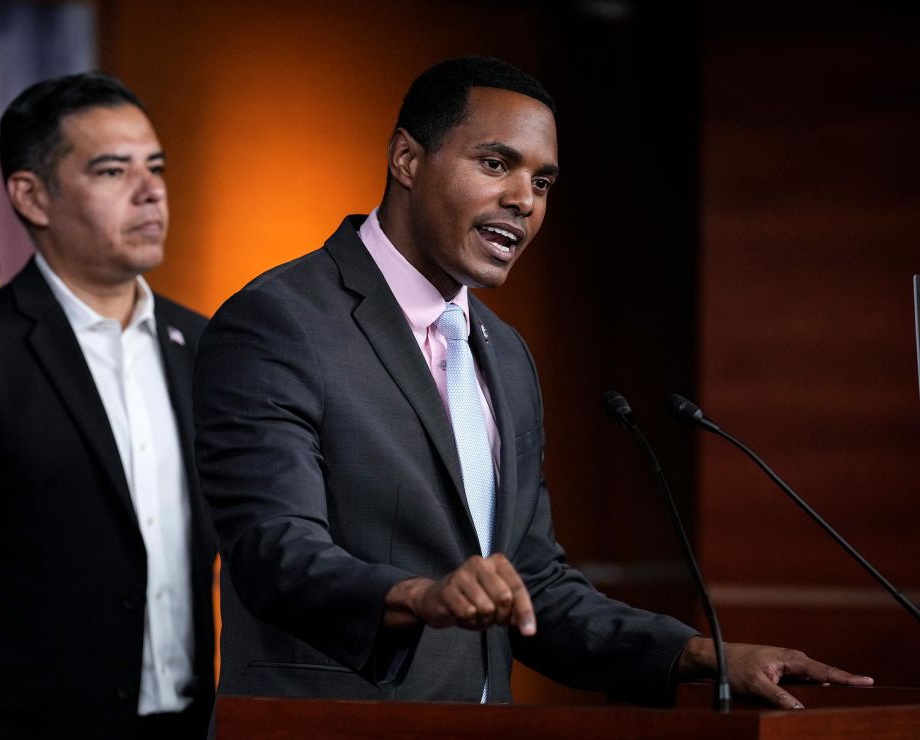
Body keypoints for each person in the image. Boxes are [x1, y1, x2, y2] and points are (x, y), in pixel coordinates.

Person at [192, 56, 872, 708]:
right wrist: (421, 595)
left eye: (543, 183)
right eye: (495, 163)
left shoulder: (505, 354)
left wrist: (699, 655)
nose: (523, 200)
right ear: (407, 159)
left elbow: (534, 584)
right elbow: (274, 552)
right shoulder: (280, 321)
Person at [0, 72, 215, 739]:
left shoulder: (202, 347)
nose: (151, 192)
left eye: (156, 167)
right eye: (112, 171)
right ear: (31, 195)